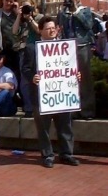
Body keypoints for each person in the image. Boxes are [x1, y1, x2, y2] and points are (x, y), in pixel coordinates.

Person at [23, 16, 80, 168]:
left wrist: (76, 75)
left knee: (65, 126)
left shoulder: (65, 47)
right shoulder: (31, 48)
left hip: (63, 94)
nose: (51, 30)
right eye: (48, 28)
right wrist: (32, 77)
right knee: (43, 129)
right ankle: (48, 155)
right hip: (42, 95)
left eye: (53, 27)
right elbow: (25, 69)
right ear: (40, 30)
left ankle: (67, 154)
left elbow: (71, 67)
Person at [57, 0, 95, 120]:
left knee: (85, 78)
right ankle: (72, 109)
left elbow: (89, 25)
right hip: (68, 49)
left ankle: (87, 110)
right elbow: (60, 28)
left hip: (82, 46)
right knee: (70, 79)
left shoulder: (85, 11)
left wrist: (76, 11)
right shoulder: (63, 13)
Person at [12, 0, 42, 118]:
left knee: (38, 78)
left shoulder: (39, 17)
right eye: (23, 6)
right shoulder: (21, 20)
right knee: (25, 80)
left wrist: (30, 18)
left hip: (37, 50)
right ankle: (29, 107)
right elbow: (14, 32)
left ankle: (40, 106)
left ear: (33, 6)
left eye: (27, 6)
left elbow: (39, 31)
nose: (25, 8)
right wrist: (19, 16)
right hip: (24, 51)